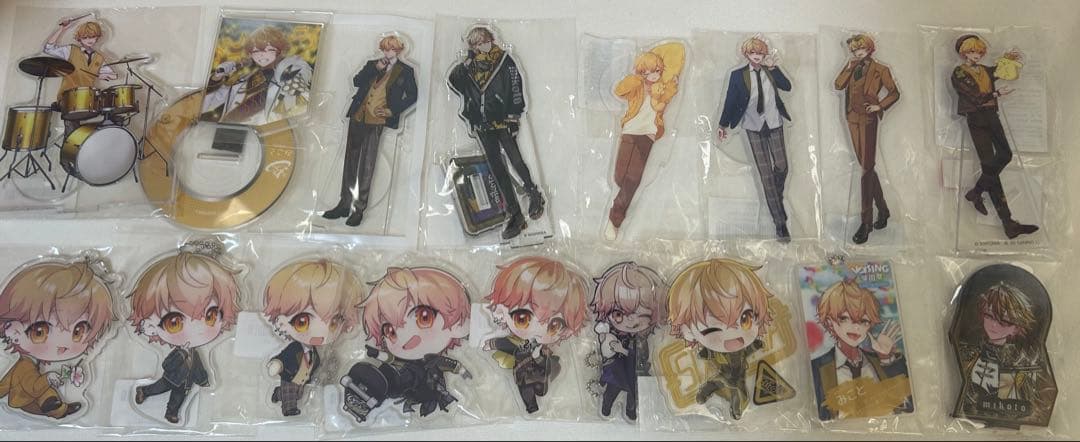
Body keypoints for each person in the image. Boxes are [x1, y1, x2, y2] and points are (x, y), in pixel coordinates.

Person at [448, 26, 545, 240]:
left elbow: (516, 87)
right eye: (477, 44)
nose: (482, 46)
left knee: (515, 160)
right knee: (497, 169)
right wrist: (467, 60)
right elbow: (454, 81)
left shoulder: (504, 60)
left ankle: (533, 193)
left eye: (484, 41)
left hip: (502, 120)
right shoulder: (471, 66)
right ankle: (515, 213)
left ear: (491, 40)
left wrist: (513, 116)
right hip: (482, 124)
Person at [341, 267, 471, 422]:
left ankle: (369, 397)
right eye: (390, 331)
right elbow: (390, 359)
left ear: (457, 325)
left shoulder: (432, 361)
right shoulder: (400, 361)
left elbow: (447, 363)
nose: (404, 337)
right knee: (390, 373)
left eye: (424, 317)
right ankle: (364, 397)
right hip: (400, 385)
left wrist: (462, 371)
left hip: (424, 390)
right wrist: (376, 354)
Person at [128, 248, 240, 424]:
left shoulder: (194, 353)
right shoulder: (180, 351)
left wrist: (203, 380)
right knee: (158, 388)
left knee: (178, 398)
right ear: (150, 326)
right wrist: (180, 355)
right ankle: (144, 391)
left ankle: (171, 413)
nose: (197, 329)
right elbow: (166, 365)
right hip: (170, 378)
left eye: (210, 316)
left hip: (186, 382)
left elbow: (198, 367)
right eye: (174, 322)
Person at [323, 35, 418, 226]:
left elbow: (413, 95)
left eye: (392, 49)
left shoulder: (406, 70)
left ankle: (359, 209)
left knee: (367, 164)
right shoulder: (372, 64)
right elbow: (357, 82)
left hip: (377, 121)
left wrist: (392, 110)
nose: (387, 52)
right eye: (385, 49)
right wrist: (375, 69)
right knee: (350, 161)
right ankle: (344, 203)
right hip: (358, 116)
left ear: (399, 50)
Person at [0, 259, 114, 419]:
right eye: (39, 332)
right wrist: (48, 378)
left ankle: (58, 407)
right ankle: (57, 408)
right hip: (25, 399)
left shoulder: (34, 362)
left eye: (78, 331)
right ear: (12, 330)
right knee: (47, 394)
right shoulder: (25, 367)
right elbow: (32, 388)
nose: (62, 345)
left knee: (47, 394)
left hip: (33, 399)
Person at [951, 35, 1038, 239]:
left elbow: (997, 71)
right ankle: (1008, 223)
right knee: (990, 168)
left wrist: (1007, 58)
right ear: (964, 53)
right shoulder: (959, 73)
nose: (977, 55)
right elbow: (972, 96)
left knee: (1004, 155)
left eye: (979, 52)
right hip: (976, 118)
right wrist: (995, 94)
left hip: (991, 115)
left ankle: (976, 192)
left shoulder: (984, 70)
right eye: (972, 51)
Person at [668, 258, 773, 420]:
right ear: (688, 330)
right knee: (718, 382)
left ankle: (735, 408)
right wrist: (705, 353)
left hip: (739, 374)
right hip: (724, 372)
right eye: (713, 328)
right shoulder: (714, 350)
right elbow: (709, 353)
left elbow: (748, 350)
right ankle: (709, 393)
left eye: (745, 319)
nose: (732, 335)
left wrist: (756, 344)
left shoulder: (742, 349)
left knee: (737, 390)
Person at [484, 257, 587, 414]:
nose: (538, 330)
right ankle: (531, 407)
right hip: (522, 376)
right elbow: (506, 344)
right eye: (522, 318)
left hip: (540, 376)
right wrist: (491, 344)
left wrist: (538, 356)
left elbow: (549, 366)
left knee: (542, 390)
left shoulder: (544, 351)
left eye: (554, 325)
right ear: (500, 311)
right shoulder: (519, 346)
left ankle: (536, 398)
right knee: (527, 395)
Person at [263, 258, 362, 416]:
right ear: (281, 322)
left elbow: (316, 365)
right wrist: (277, 364)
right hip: (289, 377)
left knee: (297, 394)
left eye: (334, 322)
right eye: (302, 322)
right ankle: (289, 409)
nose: (320, 333)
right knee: (291, 396)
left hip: (302, 381)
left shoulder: (316, 353)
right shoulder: (295, 347)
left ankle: (278, 394)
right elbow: (284, 356)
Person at [606, 44, 685, 241]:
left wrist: (672, 84)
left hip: (648, 135)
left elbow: (666, 98)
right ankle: (622, 198)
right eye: (648, 71)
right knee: (619, 177)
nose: (654, 75)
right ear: (642, 71)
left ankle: (615, 220)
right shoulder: (637, 86)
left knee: (633, 178)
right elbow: (619, 91)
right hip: (629, 131)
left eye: (657, 70)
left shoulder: (662, 88)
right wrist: (636, 76)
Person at [718, 37, 793, 242]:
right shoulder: (737, 75)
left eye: (760, 53)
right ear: (746, 54)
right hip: (752, 125)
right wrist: (723, 125)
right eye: (753, 53)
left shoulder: (770, 71)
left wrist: (775, 68)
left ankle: (775, 200)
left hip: (774, 122)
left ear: (764, 54)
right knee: (766, 174)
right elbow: (730, 101)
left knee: (782, 166)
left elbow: (787, 87)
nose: (757, 56)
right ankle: (780, 223)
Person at [810, 280, 910, 420]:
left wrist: (886, 360)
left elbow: (908, 407)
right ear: (829, 322)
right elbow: (817, 419)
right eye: (844, 318)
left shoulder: (883, 362)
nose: (856, 327)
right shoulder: (817, 368)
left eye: (864, 321)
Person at [833, 34, 899, 244]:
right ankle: (884, 210)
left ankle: (866, 222)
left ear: (869, 48)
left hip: (868, 119)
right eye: (854, 50)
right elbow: (838, 85)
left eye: (860, 48)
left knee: (866, 170)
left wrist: (880, 105)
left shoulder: (881, 69)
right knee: (866, 167)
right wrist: (848, 67)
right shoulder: (852, 67)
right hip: (852, 118)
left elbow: (894, 93)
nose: (857, 52)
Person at [590, 262, 667, 420]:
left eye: (642, 314)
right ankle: (606, 407)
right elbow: (608, 349)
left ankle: (631, 412)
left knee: (633, 393)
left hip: (633, 371)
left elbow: (641, 356)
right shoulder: (615, 334)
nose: (630, 320)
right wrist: (605, 342)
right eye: (619, 314)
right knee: (613, 389)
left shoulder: (641, 340)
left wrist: (622, 350)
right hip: (618, 370)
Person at [201, 25, 312, 126]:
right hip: (230, 133)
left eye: (268, 50)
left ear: (279, 51)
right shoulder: (242, 82)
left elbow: (300, 107)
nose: (261, 55)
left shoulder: (288, 74)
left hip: (268, 135)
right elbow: (206, 104)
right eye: (256, 51)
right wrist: (217, 77)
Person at [43, 18, 118, 134]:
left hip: (88, 98)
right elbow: (48, 48)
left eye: (92, 37)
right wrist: (62, 28)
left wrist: (104, 75)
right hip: (67, 97)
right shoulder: (70, 50)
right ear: (79, 38)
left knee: (111, 113)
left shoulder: (99, 57)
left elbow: (113, 76)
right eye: (85, 37)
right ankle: (71, 141)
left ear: (97, 37)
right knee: (72, 125)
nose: (89, 40)